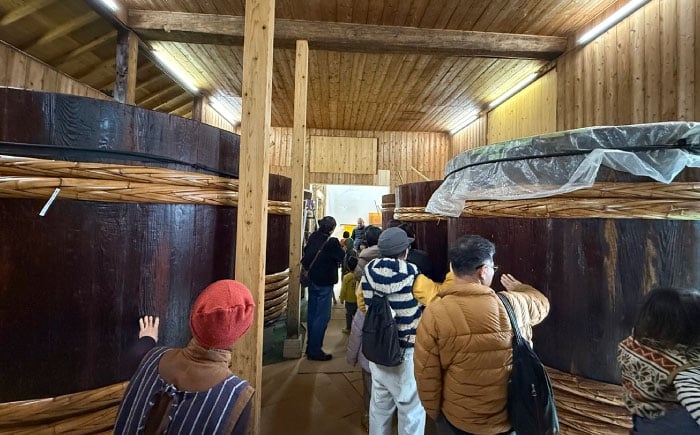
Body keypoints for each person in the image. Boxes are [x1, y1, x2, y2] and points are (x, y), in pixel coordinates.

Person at [413, 235, 550, 435]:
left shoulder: (435, 312)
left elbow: (426, 374)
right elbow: (542, 303)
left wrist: (437, 414)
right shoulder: (514, 304)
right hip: (508, 419)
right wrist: (520, 288)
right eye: (493, 268)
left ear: (452, 267)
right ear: (483, 271)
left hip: (458, 420)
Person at [114, 280, 256, 434]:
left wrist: (147, 339)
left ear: (193, 319)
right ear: (242, 331)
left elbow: (137, 355)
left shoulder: (151, 356)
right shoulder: (237, 396)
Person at [360, 227, 428, 435]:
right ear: (405, 252)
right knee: (411, 411)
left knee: (379, 406)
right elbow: (432, 300)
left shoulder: (368, 272)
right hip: (405, 351)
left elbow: (363, 303)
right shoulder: (414, 275)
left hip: (377, 347)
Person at [617, 287, 700, 434]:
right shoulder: (683, 366)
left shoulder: (635, 342)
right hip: (669, 426)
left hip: (642, 418)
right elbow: (694, 402)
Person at [301, 215, 345, 361]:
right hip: (324, 283)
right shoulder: (332, 242)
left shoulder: (314, 236)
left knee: (312, 314)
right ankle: (315, 351)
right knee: (322, 317)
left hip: (312, 279)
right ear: (332, 229)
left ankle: (310, 347)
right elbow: (341, 257)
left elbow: (307, 251)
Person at [347, 296, 372, 432]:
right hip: (395, 361)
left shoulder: (365, 302)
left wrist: (352, 358)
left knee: (370, 391)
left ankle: (368, 416)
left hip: (369, 360)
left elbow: (356, 333)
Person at [339, 255, 359, 334]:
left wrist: (341, 298)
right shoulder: (359, 276)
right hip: (357, 299)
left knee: (349, 315)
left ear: (348, 266)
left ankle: (348, 328)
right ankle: (357, 328)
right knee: (357, 315)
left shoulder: (346, 277)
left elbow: (343, 290)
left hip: (349, 300)